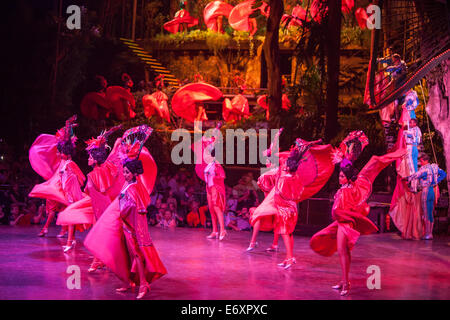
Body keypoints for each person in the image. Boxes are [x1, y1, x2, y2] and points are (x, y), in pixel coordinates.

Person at [84, 125, 166, 299]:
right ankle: (129, 282)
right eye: (125, 171)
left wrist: (132, 228)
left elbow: (137, 210)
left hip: (133, 229)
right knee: (125, 255)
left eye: (128, 172)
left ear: (134, 173)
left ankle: (143, 285)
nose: (125, 174)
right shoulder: (126, 185)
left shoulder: (135, 189)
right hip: (125, 226)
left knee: (136, 255)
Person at [310, 148, 406, 296]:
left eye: (342, 176)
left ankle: (346, 283)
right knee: (344, 253)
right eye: (339, 176)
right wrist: (342, 160)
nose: (339, 178)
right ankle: (344, 281)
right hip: (343, 223)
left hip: (345, 224)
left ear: (347, 178)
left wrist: (343, 216)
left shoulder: (347, 191)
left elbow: (339, 210)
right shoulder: (347, 188)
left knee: (343, 253)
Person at [29, 116, 85, 243]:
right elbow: (66, 141)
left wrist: (68, 126)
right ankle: (55, 230)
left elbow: (79, 178)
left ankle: (65, 233)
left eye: (61, 152)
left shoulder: (68, 162)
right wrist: (68, 126)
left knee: (65, 207)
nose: (58, 153)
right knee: (55, 208)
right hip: (58, 184)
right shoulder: (62, 161)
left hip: (65, 186)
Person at [407, 153, 447, 240]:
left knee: (426, 213)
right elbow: (444, 174)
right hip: (432, 191)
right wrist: (435, 181)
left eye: (421, 161)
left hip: (426, 191)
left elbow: (414, 176)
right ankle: (430, 233)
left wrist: (406, 179)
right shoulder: (434, 167)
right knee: (430, 212)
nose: (420, 163)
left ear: (425, 160)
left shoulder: (424, 170)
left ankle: (428, 234)